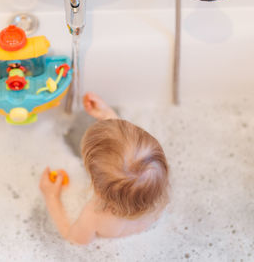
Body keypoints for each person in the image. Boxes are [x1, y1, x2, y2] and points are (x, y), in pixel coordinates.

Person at [39, 92, 169, 245]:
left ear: (96, 187)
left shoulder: (94, 215)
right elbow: (127, 152)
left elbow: (73, 238)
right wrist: (108, 114)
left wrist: (51, 197)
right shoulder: (157, 188)